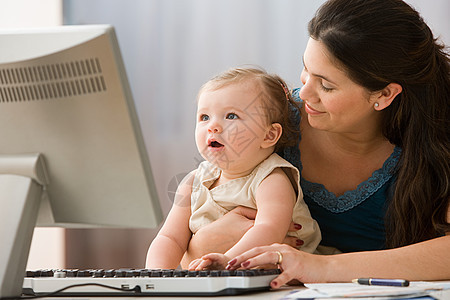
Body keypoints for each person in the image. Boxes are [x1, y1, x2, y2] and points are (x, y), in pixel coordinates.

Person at [184, 0, 450, 287]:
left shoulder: (438, 136)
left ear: (384, 94)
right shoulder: (270, 124)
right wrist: (203, 245)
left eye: (326, 85)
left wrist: (318, 266)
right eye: (306, 70)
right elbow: (190, 259)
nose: (304, 93)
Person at [145, 67, 321, 270]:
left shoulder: (271, 178)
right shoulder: (192, 182)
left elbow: (269, 230)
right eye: (204, 117)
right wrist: (155, 275)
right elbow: (170, 238)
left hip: (287, 278)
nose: (213, 126)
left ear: (269, 136)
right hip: (221, 277)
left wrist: (228, 260)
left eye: (230, 116)